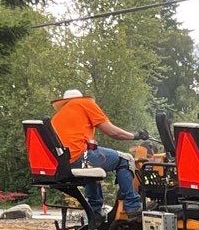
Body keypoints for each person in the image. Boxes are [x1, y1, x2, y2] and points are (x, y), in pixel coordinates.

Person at [48, 89, 145, 220]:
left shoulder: (57, 117)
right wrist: (135, 135)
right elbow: (112, 132)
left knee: (92, 171)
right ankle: (133, 206)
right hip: (79, 157)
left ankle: (95, 213)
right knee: (125, 159)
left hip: (61, 165)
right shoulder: (84, 103)